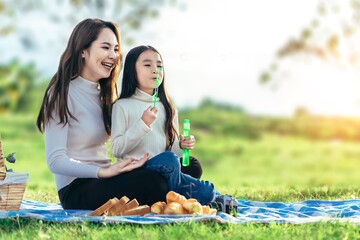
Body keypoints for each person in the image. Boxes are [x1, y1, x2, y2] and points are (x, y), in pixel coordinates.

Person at [36, 19, 169, 210]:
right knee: (153, 182)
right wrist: (102, 172)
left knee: (182, 166)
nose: (113, 56)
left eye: (116, 49)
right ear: (83, 50)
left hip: (108, 176)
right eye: (106, 47)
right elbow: (56, 161)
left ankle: (200, 198)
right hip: (77, 188)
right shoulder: (60, 93)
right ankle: (201, 200)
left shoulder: (107, 94)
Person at [111, 45, 215, 205]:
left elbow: (171, 153)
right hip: (134, 172)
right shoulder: (122, 105)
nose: (155, 70)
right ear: (132, 70)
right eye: (147, 65)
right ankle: (177, 202)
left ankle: (177, 197)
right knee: (168, 160)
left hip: (163, 171)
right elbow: (116, 150)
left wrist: (180, 145)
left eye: (159, 65)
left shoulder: (168, 108)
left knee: (204, 186)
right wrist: (143, 124)